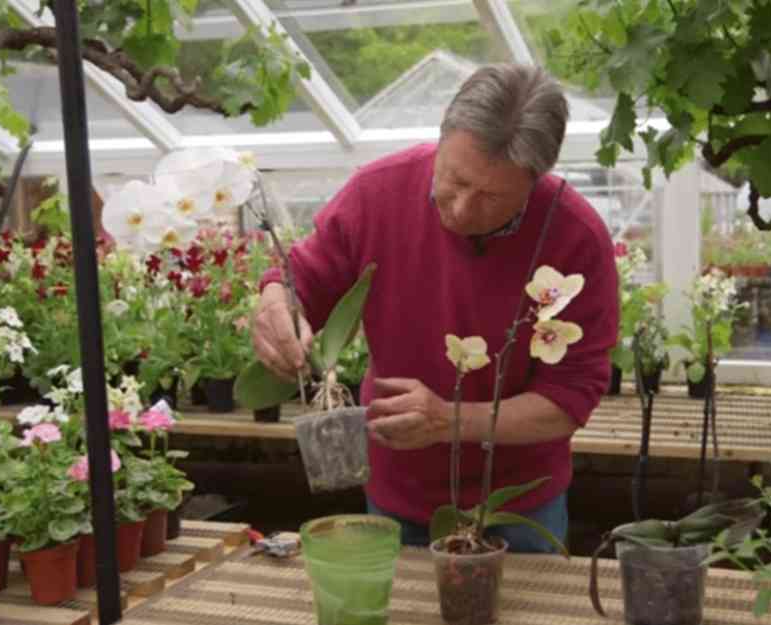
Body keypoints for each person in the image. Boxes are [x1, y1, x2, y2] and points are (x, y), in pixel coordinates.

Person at [252, 63, 618, 553]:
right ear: (443, 130)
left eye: (492, 196)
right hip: (395, 494)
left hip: (519, 508)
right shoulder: (377, 193)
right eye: (455, 179)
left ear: (537, 179)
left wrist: (448, 419)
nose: (463, 210)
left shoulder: (574, 237)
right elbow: (302, 282)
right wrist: (278, 305)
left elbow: (571, 398)